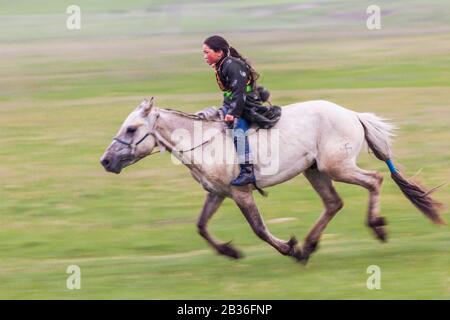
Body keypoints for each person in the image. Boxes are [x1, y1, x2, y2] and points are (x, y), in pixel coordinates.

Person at [202, 35, 261, 186]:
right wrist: (225, 109)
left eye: (206, 52)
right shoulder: (221, 65)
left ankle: (247, 171)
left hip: (247, 104)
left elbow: (239, 92)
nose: (204, 56)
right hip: (234, 103)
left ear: (219, 52)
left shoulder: (232, 65)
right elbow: (229, 93)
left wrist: (232, 114)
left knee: (237, 129)